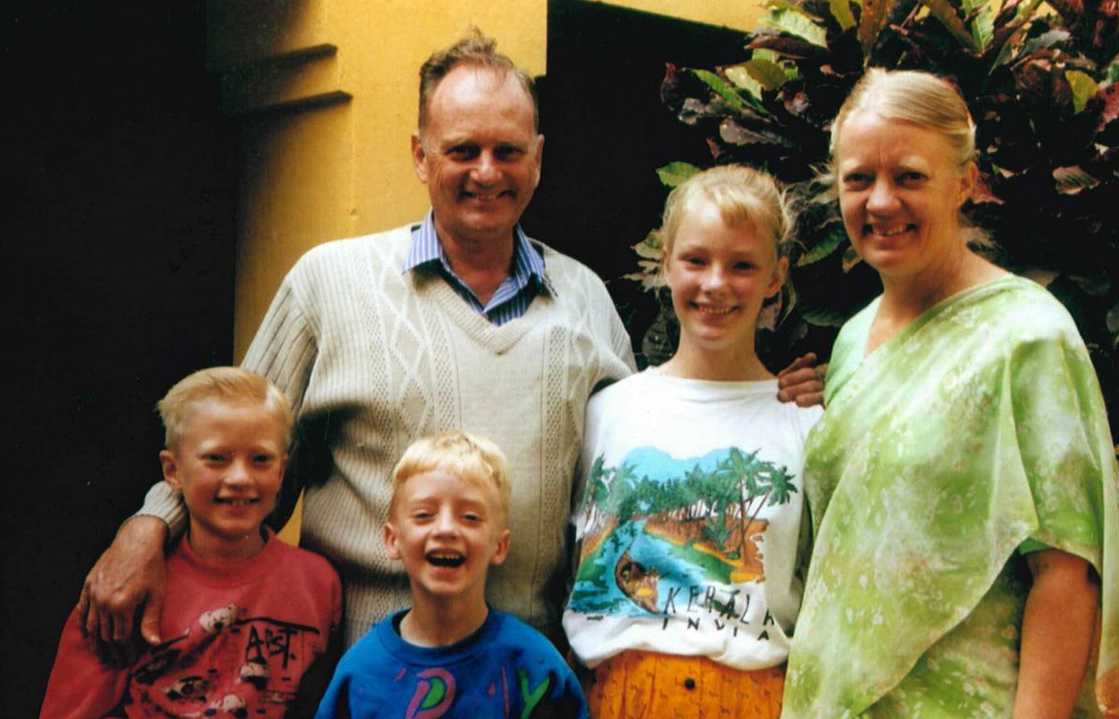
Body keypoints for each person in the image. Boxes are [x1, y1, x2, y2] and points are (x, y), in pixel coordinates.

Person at [78, 29, 824, 656]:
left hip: (529, 669)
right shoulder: (328, 284)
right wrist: (149, 525)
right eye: (463, 149)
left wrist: (773, 400)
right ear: (420, 154)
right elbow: (232, 446)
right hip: (364, 662)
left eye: (508, 150)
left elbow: (641, 461)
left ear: (537, 155)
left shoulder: (587, 301)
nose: (486, 172)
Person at [779, 69, 1119, 718]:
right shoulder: (849, 340)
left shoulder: (1027, 336)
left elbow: (1065, 579)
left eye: (910, 176)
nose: (881, 201)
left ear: (966, 181)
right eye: (859, 178)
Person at [564, 165, 823, 718]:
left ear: (776, 278)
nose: (715, 284)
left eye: (743, 265)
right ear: (666, 262)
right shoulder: (608, 410)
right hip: (614, 695)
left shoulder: (805, 423)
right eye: (697, 260)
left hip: (753, 697)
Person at [41, 367, 341, 719]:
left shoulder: (318, 584)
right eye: (217, 458)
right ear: (172, 471)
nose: (240, 478)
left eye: (260, 459)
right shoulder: (123, 588)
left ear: (281, 471)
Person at [316, 431, 587, 718]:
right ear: (392, 540)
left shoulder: (536, 668)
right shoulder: (361, 673)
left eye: (470, 517)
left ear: (500, 545)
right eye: (424, 515)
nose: (446, 529)